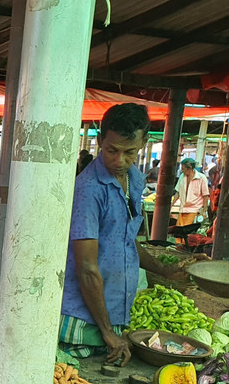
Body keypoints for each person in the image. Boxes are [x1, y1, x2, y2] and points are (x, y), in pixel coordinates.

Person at [59, 103, 181, 364]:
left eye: (129, 152)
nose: (119, 161)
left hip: (114, 315)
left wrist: (164, 270)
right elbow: (86, 267)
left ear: (144, 143)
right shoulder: (89, 189)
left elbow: (125, 240)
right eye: (111, 150)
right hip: (81, 322)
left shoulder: (134, 179)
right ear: (100, 141)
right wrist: (107, 332)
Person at [171, 158, 210, 228]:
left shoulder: (201, 178)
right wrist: (171, 205)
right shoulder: (182, 177)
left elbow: (205, 195)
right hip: (183, 209)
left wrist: (204, 210)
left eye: (183, 169)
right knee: (179, 231)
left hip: (194, 210)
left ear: (190, 168)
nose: (182, 170)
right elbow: (178, 193)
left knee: (187, 231)